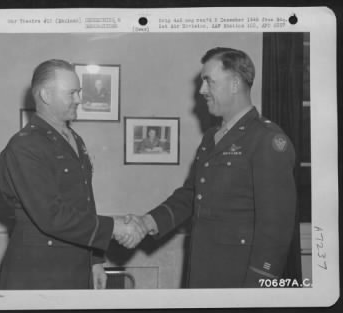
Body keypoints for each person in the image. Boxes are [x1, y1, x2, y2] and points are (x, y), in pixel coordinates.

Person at [122, 47, 298, 288]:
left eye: (209, 82)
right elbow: (191, 195)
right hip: (204, 271)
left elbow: (276, 225)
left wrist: (260, 285)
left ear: (235, 84)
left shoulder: (266, 139)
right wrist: (146, 222)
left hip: (240, 278)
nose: (202, 91)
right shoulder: (211, 138)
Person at [0, 59, 147, 290]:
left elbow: (85, 203)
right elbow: (51, 216)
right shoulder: (25, 146)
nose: (79, 99)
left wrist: (95, 261)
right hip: (38, 272)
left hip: (76, 265)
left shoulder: (73, 139)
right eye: (72, 93)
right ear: (46, 95)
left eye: (79, 92)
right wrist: (115, 227)